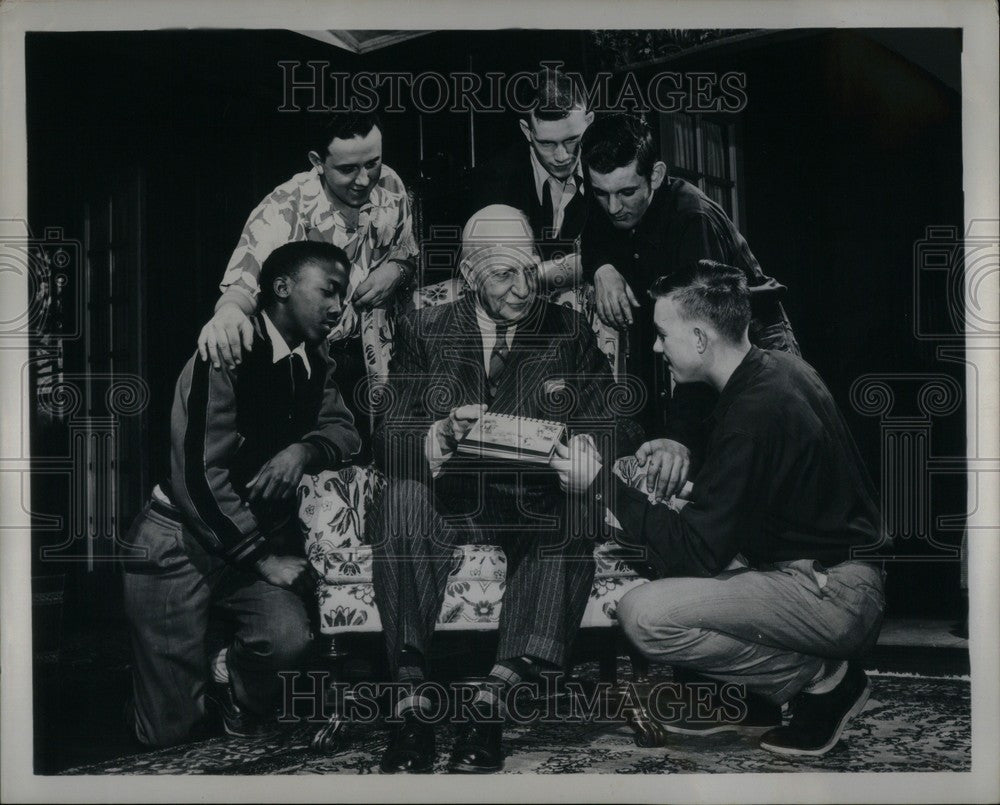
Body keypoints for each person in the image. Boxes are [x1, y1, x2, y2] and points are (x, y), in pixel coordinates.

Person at [555, 263, 885, 757]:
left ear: (701, 338)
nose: (656, 348)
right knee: (672, 553)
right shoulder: (776, 369)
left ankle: (822, 682)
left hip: (832, 593)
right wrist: (677, 487)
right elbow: (756, 498)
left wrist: (600, 484)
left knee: (643, 615)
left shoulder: (751, 412)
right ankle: (777, 692)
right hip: (835, 574)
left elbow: (695, 554)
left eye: (663, 336)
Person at [370, 204, 641, 774]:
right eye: (502, 275)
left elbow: (617, 415)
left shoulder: (566, 328)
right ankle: (411, 701)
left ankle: (491, 704)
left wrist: (590, 452)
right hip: (452, 501)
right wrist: (433, 438)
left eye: (530, 270)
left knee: (575, 511)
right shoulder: (424, 329)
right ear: (468, 276)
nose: (522, 289)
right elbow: (387, 429)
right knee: (399, 497)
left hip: (534, 503)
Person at [122, 241, 361, 747]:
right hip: (178, 542)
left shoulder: (315, 359)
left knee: (287, 640)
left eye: (344, 294)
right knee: (171, 731)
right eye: (329, 291)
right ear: (281, 288)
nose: (339, 306)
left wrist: (302, 451)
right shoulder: (226, 353)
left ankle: (233, 691)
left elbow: (345, 431)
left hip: (244, 546)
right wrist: (262, 560)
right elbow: (196, 477)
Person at [580, 113, 800, 498]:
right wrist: (602, 267)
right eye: (601, 193)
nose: (613, 207)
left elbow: (705, 345)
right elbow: (594, 226)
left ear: (658, 174)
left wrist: (679, 439)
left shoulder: (690, 219)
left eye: (626, 192)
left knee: (760, 475)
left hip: (757, 341)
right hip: (700, 340)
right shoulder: (612, 201)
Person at [196, 111, 418, 455]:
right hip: (312, 368)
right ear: (317, 161)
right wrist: (227, 314)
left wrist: (398, 270)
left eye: (372, 163)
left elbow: (408, 252)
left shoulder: (391, 184)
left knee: (383, 466)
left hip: (380, 359)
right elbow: (241, 287)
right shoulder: (282, 209)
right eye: (347, 169)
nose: (364, 180)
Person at [465, 67, 593, 289]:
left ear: (588, 122)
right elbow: (494, 276)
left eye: (572, 139)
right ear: (527, 131)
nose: (562, 156)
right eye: (547, 143)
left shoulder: (607, 170)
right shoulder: (495, 180)